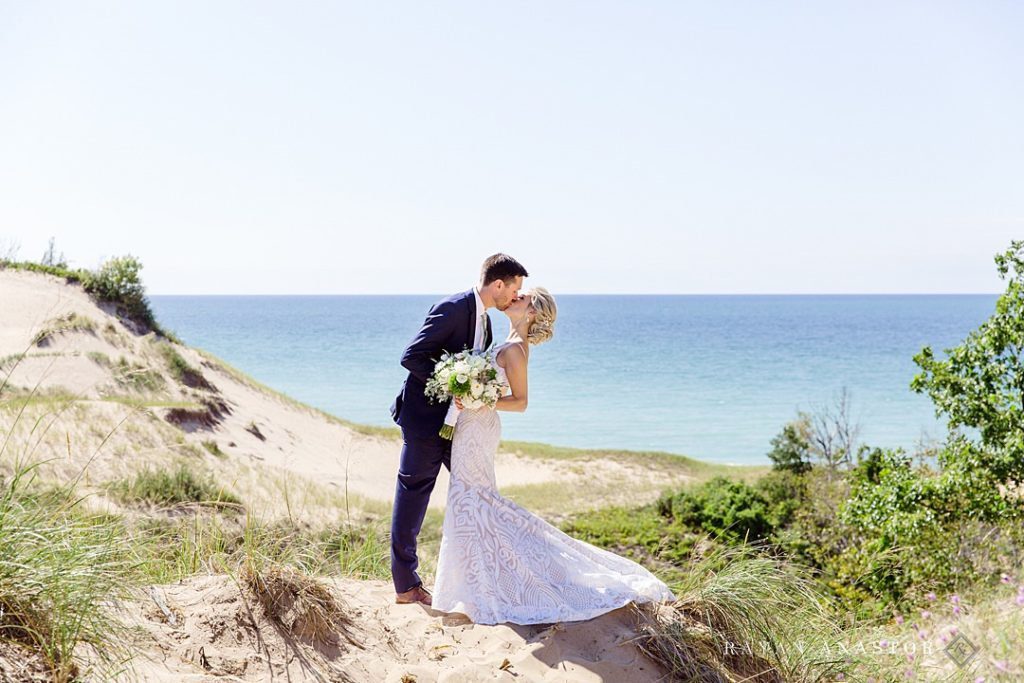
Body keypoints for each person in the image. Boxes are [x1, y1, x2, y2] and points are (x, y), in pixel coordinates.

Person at [431, 287, 677, 624]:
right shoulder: (506, 340)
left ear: (532, 312)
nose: (515, 297)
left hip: (480, 428)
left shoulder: (517, 349)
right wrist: (466, 394)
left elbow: (520, 402)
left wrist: (482, 399)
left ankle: (481, 587)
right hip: (471, 424)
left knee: (475, 497)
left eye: (523, 297)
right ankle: (473, 584)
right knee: (472, 498)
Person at [389, 253, 528, 605]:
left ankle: (494, 576)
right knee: (414, 494)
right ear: (499, 284)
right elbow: (412, 356)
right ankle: (406, 585)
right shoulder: (453, 308)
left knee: (479, 494)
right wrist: (454, 384)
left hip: (459, 427)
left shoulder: (488, 323)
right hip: (425, 422)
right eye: (514, 290)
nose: (514, 298)